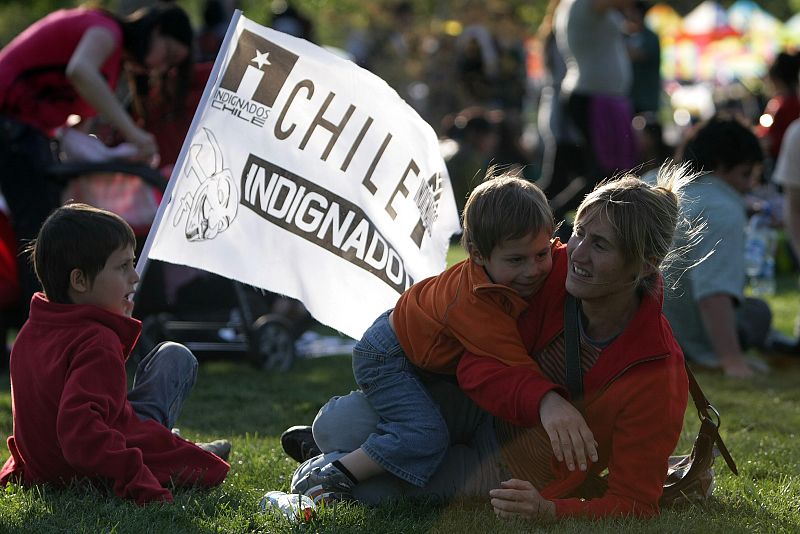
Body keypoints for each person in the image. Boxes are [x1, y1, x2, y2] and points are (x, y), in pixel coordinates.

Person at [286, 164, 691, 519]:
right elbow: (473, 362)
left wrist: (549, 510)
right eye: (580, 231)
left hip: (507, 466)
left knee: (373, 492)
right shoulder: (550, 267)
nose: (577, 252)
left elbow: (635, 502)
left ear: (643, 265)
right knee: (338, 424)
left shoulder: (656, 369)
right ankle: (348, 454)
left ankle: (330, 469)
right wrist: (546, 402)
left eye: (600, 244)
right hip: (472, 406)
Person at [290, 172, 560, 504]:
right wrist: (551, 401)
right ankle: (334, 474)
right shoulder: (474, 304)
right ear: (476, 254)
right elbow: (515, 365)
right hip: (389, 356)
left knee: (421, 426)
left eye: (541, 254)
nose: (533, 269)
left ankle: (340, 448)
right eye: (516, 260)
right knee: (424, 434)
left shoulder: (500, 277)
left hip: (410, 351)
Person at [0, 203, 230, 505]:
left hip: (47, 468)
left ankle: (176, 443)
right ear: (79, 281)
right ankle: (185, 449)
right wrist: (141, 482)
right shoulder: (97, 340)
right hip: (90, 468)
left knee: (166, 361)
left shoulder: (31, 331)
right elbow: (81, 434)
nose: (134, 277)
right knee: (176, 358)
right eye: (122, 267)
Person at [0, 4, 193, 316]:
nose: (159, 69)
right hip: (11, 122)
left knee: (45, 229)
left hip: (24, 129)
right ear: (155, 31)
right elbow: (79, 71)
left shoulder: (113, 62)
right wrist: (134, 134)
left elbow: (77, 117)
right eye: (167, 55)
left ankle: (43, 325)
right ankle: (37, 329)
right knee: (37, 232)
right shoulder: (106, 31)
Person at [663, 115, 770, 378]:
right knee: (758, 312)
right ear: (720, 166)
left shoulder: (652, 180)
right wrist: (732, 361)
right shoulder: (724, 209)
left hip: (625, 329)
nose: (747, 186)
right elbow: (714, 294)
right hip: (679, 338)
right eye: (745, 174)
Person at [552, 0, 638, 221]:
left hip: (601, 97)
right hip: (593, 97)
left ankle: (559, 215)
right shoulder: (583, 3)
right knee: (603, 170)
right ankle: (555, 215)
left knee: (606, 170)